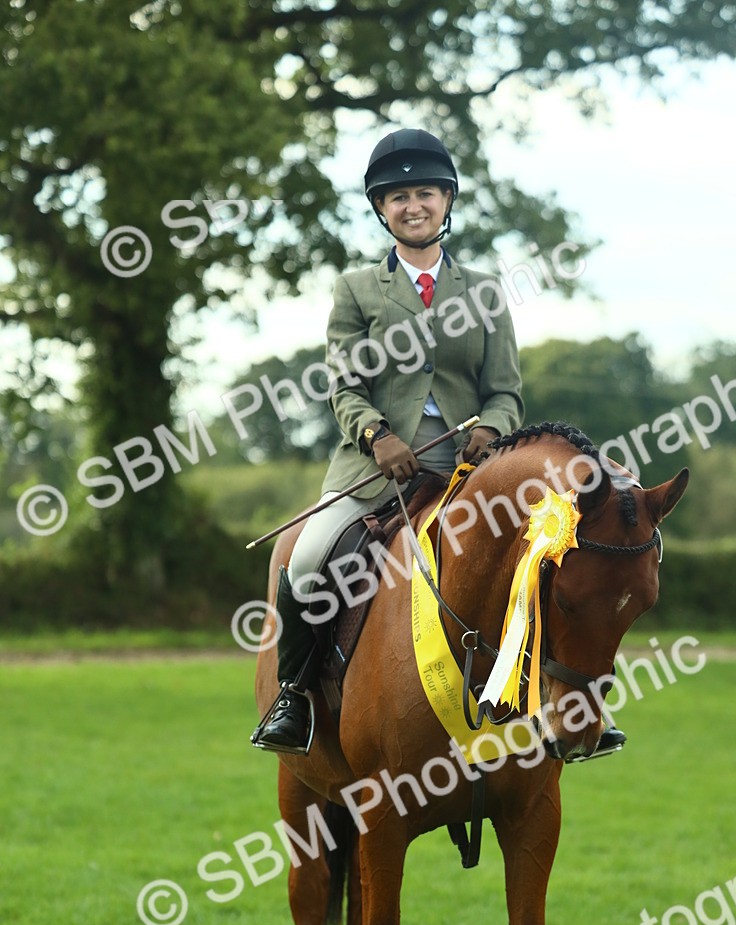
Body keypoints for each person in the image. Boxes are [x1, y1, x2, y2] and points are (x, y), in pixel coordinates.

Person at [251, 128, 625, 761]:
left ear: (446, 201)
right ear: (381, 209)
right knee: (309, 556)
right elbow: (345, 385)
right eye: (397, 197)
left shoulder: (484, 291)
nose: (412, 205)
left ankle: (578, 703)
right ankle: (294, 695)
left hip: (472, 469)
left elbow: (505, 390)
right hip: (375, 470)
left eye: (425, 192)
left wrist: (490, 429)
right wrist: (377, 435)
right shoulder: (357, 291)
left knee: (558, 557)